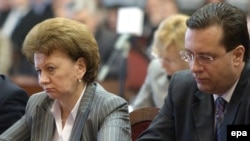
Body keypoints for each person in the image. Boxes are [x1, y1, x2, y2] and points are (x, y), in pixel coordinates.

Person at [0, 17, 131, 141]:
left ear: (80, 67)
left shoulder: (109, 108)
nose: (42, 80)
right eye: (39, 71)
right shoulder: (38, 103)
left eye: (51, 69)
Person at [137, 2, 250, 141]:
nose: (193, 68)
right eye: (189, 55)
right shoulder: (182, 88)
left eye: (205, 57)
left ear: (237, 56)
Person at [131, 14, 189, 109]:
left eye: (169, 61)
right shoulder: (155, 68)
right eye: (160, 56)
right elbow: (139, 111)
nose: (162, 65)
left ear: (188, 58)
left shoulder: (201, 78)